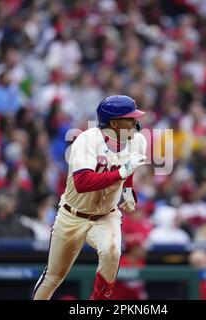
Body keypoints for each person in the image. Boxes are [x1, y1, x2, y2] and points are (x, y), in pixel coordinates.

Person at [32, 95, 147, 300]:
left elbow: (129, 171)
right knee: (54, 276)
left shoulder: (137, 140)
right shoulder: (86, 140)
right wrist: (122, 173)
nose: (135, 122)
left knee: (112, 252)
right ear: (113, 122)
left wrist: (128, 191)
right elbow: (83, 183)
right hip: (72, 215)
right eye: (129, 118)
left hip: (106, 215)